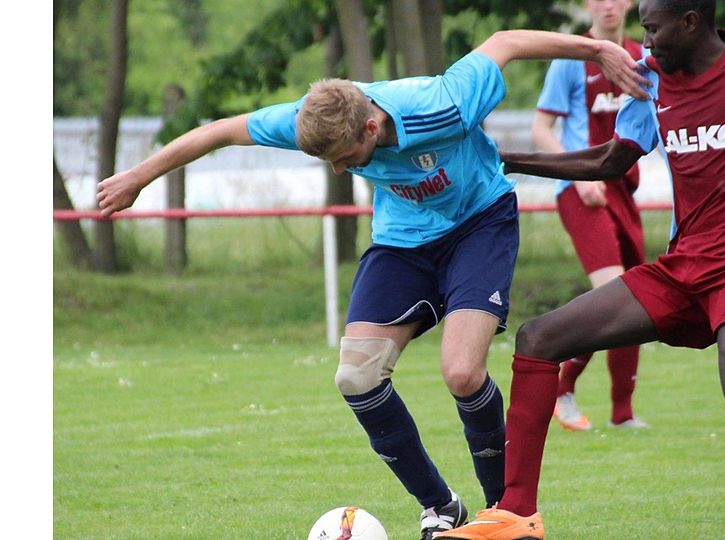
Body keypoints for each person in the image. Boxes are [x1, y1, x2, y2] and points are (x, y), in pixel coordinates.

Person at [96, 30, 647, 540]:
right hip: (403, 242)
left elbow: (504, 42)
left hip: (479, 224)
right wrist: (137, 178)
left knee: (461, 371)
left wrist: (595, 51)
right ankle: (442, 508)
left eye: (345, 160)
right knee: (355, 376)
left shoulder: (442, 102)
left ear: (371, 128)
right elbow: (220, 131)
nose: (340, 171)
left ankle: (505, 513)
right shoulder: (311, 118)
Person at [436, 1, 725, 538]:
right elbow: (610, 161)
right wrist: (508, 160)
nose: (646, 41)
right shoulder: (653, 80)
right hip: (681, 272)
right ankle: (517, 516)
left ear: (690, 22)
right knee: (539, 338)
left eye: (652, 29)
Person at [532, 0, 649, 432]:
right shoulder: (571, 58)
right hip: (581, 192)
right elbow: (540, 129)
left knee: (638, 301)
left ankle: (623, 414)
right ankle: (563, 387)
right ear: (587, 5)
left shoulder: (643, 58)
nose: (608, 4)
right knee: (616, 293)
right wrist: (577, 174)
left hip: (623, 190)